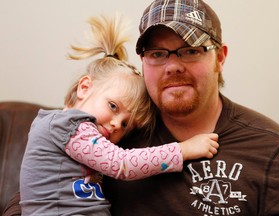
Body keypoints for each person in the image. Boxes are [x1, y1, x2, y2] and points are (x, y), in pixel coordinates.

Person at [19, 14, 219, 216]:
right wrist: (183, 150)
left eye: (125, 125)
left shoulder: (67, 130)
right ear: (85, 87)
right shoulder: (69, 126)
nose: (116, 124)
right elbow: (122, 164)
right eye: (113, 106)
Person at [103, 0, 279, 216]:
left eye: (191, 51)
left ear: (219, 58)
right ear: (143, 61)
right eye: (157, 54)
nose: (173, 67)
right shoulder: (114, 135)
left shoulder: (271, 149)